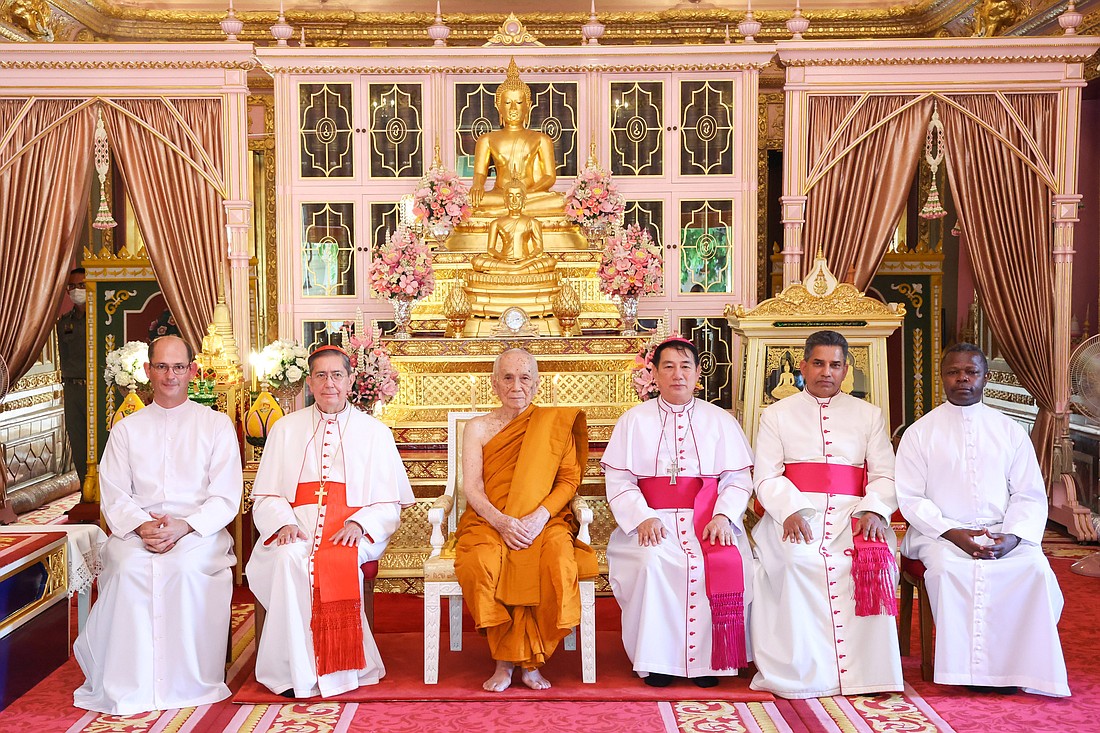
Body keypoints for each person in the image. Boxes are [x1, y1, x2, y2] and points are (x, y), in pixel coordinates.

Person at [73, 335, 242, 714]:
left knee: (184, 567)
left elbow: (226, 495)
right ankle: (128, 681)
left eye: (178, 367)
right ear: (148, 371)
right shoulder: (126, 429)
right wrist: (139, 527)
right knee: (130, 566)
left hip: (198, 532)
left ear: (192, 371)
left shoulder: (216, 426)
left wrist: (184, 526)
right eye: (162, 367)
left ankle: (190, 680)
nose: (170, 376)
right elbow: (114, 492)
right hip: (137, 532)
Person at [895, 343, 1069, 696]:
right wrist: (953, 533)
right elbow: (911, 497)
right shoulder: (920, 433)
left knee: (1034, 569)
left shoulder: (1010, 431)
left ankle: (1018, 668)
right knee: (948, 571)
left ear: (985, 377)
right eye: (954, 372)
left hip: (1001, 532)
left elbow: (1028, 493)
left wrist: (1014, 537)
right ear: (942, 377)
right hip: (940, 534)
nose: (963, 379)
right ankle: (965, 670)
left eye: (971, 372)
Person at [247, 345, 414, 698]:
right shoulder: (285, 429)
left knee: (336, 557)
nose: (329, 384)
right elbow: (266, 496)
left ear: (350, 380)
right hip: (297, 526)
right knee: (289, 557)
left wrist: (360, 524)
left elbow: (389, 503)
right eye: (321, 376)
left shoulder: (374, 433)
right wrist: (282, 523)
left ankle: (338, 670)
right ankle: (293, 671)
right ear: (309, 382)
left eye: (337, 375)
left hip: (351, 529)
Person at [750, 329, 902, 698]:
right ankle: (804, 671)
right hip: (797, 517)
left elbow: (885, 474)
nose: (826, 372)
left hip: (854, 516)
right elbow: (766, 476)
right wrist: (789, 511)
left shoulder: (869, 415)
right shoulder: (775, 414)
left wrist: (875, 511)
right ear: (803, 366)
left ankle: (869, 672)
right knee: (796, 562)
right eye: (818, 363)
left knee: (872, 562)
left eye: (835, 365)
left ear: (846, 369)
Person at [602, 337, 755, 688]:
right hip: (652, 522)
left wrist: (724, 516)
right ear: (653, 373)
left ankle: (710, 664)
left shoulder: (720, 420)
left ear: (698, 374)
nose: (678, 375)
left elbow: (737, 478)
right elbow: (620, 479)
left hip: (708, 521)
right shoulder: (633, 421)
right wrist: (643, 517)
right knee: (650, 564)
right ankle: (656, 662)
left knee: (713, 563)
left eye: (686, 367)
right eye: (668, 367)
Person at [453, 348, 596, 692]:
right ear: (494, 383)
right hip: (490, 520)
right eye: (507, 377)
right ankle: (504, 662)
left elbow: (567, 481)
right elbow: (471, 487)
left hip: (543, 520)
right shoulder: (478, 428)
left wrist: (539, 516)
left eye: (525, 377)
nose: (516, 385)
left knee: (558, 562)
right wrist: (502, 522)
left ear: (536, 384)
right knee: (482, 562)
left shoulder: (554, 424)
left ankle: (533, 660)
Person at [469, 58, 566, 218]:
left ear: (528, 105)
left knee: (561, 200)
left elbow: (550, 177)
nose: (513, 108)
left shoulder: (541, 139)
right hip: (500, 194)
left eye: (519, 102)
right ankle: (506, 210)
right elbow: (480, 172)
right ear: (498, 106)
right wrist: (477, 185)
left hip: (530, 194)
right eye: (507, 103)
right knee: (469, 201)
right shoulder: (486, 139)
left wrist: (525, 194)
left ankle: (500, 213)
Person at [472, 177, 555, 275]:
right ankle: (518, 270)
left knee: (550, 262)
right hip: (504, 261)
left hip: (525, 260)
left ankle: (509, 271)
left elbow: (538, 249)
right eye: (510, 196)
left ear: (524, 199)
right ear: (505, 199)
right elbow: (491, 249)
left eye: (518, 196)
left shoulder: (533, 222)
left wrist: (527, 259)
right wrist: (501, 258)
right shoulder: (496, 223)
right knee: (476, 262)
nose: (514, 200)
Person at [57, 267, 87, 487]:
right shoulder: (64, 322)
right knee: (78, 441)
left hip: (97, 388)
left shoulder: (101, 318)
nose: (77, 290)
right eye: (72, 287)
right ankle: (86, 490)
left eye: (82, 285)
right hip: (72, 388)